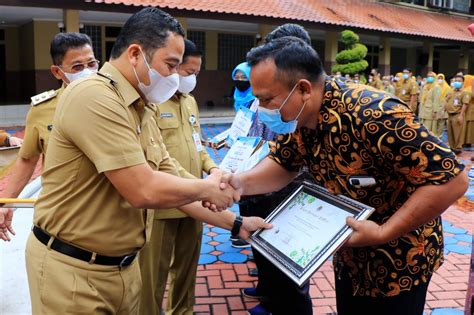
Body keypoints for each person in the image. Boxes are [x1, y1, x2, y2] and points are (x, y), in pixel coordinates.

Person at [11, 8, 270, 315]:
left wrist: (237, 223)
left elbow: (170, 175)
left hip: (122, 267)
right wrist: (208, 187)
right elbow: (142, 189)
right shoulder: (94, 96)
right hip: (75, 273)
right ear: (135, 53)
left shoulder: (140, 107)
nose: (174, 77)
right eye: (170, 65)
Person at [217, 37, 468, 315]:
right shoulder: (299, 117)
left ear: (302, 89)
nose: (261, 109)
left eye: (266, 99)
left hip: (400, 257)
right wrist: (241, 183)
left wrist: (385, 232)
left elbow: (451, 180)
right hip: (348, 249)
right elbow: (284, 162)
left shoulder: (375, 115)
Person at [138, 39, 218, 315]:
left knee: (188, 265)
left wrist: (214, 169)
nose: (192, 79)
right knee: (153, 273)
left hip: (195, 201)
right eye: (187, 73)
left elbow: (198, 144)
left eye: (197, 73)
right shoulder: (152, 104)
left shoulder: (190, 102)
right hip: (164, 204)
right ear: (172, 68)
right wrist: (202, 186)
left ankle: (182, 310)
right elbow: (160, 158)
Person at [239, 24, 313, 315]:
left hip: (289, 190)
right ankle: (269, 297)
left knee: (291, 262)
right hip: (259, 177)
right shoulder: (269, 95)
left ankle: (284, 303)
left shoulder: (303, 107)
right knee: (265, 249)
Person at [0, 32, 97, 242]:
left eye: (92, 64)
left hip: (106, 215)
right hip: (62, 218)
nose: (88, 72)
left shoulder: (115, 104)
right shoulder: (43, 109)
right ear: (57, 72)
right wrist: (6, 203)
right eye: (78, 67)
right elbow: (27, 159)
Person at [444, 74, 471, 154]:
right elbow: (446, 101)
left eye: (459, 81)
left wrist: (461, 115)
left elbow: (465, 104)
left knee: (458, 133)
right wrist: (443, 110)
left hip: (458, 114)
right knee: (450, 132)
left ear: (463, 82)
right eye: (456, 81)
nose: (457, 82)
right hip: (450, 115)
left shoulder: (465, 92)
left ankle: (457, 148)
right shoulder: (451, 91)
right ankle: (452, 147)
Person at [418, 71, 443, 136]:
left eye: (431, 76)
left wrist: (435, 111)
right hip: (423, 111)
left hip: (430, 112)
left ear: (435, 78)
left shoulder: (436, 87)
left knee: (429, 130)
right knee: (422, 128)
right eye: (428, 76)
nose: (430, 78)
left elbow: (436, 100)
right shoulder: (425, 86)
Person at [436, 73, 451, 137]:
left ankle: (439, 136)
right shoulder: (434, 86)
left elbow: (448, 97)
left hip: (443, 107)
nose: (440, 80)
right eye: (438, 78)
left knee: (441, 123)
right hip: (435, 106)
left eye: (441, 78)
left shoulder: (447, 87)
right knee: (434, 123)